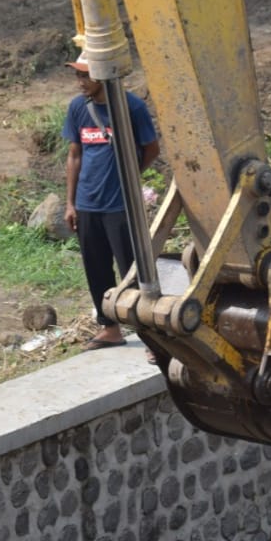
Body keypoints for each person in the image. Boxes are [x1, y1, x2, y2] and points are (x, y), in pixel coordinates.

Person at [63, 51, 161, 351]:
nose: (79, 82)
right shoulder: (78, 107)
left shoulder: (131, 107)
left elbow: (151, 149)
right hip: (87, 203)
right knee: (96, 268)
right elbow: (75, 155)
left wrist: (130, 179)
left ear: (102, 75)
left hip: (120, 205)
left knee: (132, 269)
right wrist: (71, 203)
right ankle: (110, 328)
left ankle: (150, 334)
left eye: (85, 75)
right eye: (77, 75)